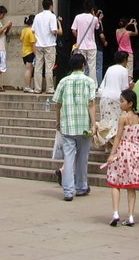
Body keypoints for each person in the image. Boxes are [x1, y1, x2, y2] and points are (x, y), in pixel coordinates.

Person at [105, 88, 139, 227]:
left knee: (115, 181)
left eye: (122, 101)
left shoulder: (123, 117)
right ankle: (131, 215)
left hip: (123, 151)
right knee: (131, 186)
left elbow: (118, 137)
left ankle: (115, 213)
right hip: (135, 150)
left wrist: (112, 154)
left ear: (130, 103)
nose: (120, 104)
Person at [54, 51, 97, 201]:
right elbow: (91, 104)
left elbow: (58, 104)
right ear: (84, 65)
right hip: (84, 125)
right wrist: (94, 124)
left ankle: (67, 190)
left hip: (67, 125)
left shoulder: (63, 81)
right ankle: (81, 186)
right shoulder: (89, 82)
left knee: (69, 158)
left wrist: (58, 121)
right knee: (82, 158)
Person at [33, 0, 61, 93]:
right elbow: (53, 30)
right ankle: (49, 88)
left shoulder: (37, 16)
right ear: (51, 6)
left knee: (38, 66)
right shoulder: (52, 16)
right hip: (49, 44)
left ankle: (37, 88)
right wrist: (58, 29)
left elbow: (33, 30)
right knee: (49, 67)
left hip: (38, 44)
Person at [99, 50, 131, 130]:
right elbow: (125, 89)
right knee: (115, 125)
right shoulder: (124, 70)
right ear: (125, 60)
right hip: (116, 99)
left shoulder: (110, 68)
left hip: (104, 97)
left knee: (106, 124)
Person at [71, 0, 100, 78]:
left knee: (80, 66)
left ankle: (81, 81)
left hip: (81, 45)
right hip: (92, 46)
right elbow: (97, 27)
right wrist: (94, 14)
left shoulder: (78, 17)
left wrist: (78, 37)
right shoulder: (94, 19)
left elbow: (73, 30)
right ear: (92, 8)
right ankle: (93, 84)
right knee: (92, 67)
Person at [115, 18, 138, 82]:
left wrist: (128, 23)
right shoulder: (128, 33)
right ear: (126, 24)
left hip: (120, 53)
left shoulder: (117, 31)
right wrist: (135, 25)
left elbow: (123, 27)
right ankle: (128, 83)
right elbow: (136, 33)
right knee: (129, 70)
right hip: (128, 53)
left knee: (121, 68)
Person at [20, 15, 38, 92]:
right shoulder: (31, 32)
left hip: (24, 52)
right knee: (29, 70)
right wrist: (36, 54)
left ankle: (28, 86)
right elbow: (33, 44)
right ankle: (27, 86)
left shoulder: (24, 30)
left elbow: (21, 39)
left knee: (29, 70)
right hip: (30, 52)